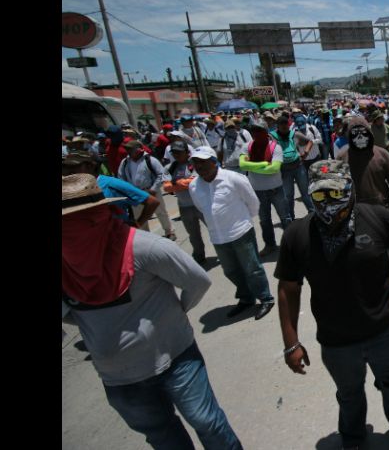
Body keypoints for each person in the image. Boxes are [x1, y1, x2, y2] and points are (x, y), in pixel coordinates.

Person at [61, 173, 243, 450]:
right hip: (118, 379)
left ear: (100, 214)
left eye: (78, 221)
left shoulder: (143, 247)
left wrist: (176, 312)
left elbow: (197, 281)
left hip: (176, 359)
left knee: (208, 422)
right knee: (162, 437)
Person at [275, 160, 389, 450]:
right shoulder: (296, 234)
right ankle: (354, 439)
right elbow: (288, 288)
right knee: (349, 395)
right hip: (336, 342)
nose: (328, 203)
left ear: (350, 190)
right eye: (320, 196)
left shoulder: (378, 218)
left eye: (335, 194)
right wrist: (291, 343)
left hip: (385, 331)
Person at [187, 146, 275, 320]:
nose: (199, 167)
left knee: (253, 269)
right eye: (196, 163)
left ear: (214, 162)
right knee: (231, 271)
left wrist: (243, 221)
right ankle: (246, 298)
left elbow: (253, 203)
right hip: (218, 237)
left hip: (240, 232)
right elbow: (202, 208)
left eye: (203, 162)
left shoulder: (234, 178)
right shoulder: (194, 186)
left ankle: (266, 298)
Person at [338, 117, 389, 297]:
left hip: (383, 214)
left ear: (369, 133)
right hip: (356, 216)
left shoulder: (382, 154)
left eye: (364, 133)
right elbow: (339, 188)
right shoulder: (342, 158)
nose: (360, 137)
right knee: (362, 253)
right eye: (356, 134)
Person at [62, 151, 160, 229]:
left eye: (73, 167)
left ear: (90, 166)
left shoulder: (111, 184)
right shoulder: (69, 189)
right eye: (65, 167)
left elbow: (152, 202)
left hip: (117, 238)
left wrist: (137, 224)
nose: (68, 171)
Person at [239, 121, 292, 257]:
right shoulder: (247, 147)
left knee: (285, 218)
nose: (256, 134)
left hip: (276, 189)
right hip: (257, 191)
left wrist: (252, 166)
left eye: (259, 130)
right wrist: (263, 164)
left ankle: (292, 244)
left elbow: (274, 168)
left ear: (266, 132)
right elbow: (242, 165)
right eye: (254, 131)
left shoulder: (276, 147)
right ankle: (270, 245)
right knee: (265, 220)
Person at [117, 140, 177, 241]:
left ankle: (169, 232)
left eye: (130, 149)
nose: (127, 151)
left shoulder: (150, 160)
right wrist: (127, 191)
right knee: (139, 216)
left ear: (138, 149)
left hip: (151, 191)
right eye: (127, 149)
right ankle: (146, 237)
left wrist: (154, 188)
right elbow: (120, 177)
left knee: (161, 212)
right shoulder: (125, 162)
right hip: (135, 194)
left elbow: (163, 174)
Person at [163, 141, 208, 264]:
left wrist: (175, 184)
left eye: (179, 152)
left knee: (214, 229)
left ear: (187, 152)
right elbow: (166, 187)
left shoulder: (195, 164)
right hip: (184, 206)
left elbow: (194, 181)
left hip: (201, 204)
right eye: (174, 152)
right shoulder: (170, 168)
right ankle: (199, 257)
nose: (176, 154)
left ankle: (225, 252)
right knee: (193, 235)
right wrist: (183, 183)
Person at [271, 115, 315, 220]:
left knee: (306, 193)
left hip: (298, 167)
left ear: (288, 125)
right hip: (284, 170)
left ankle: (313, 214)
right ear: (277, 126)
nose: (284, 127)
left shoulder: (294, 134)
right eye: (282, 125)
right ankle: (291, 219)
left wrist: (306, 152)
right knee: (289, 197)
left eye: (286, 125)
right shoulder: (272, 136)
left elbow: (310, 141)